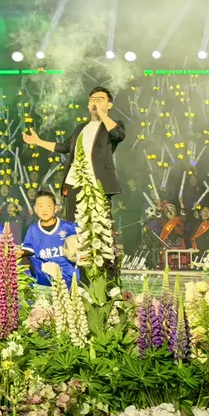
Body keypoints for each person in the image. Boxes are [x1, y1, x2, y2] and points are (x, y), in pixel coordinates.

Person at [23, 86, 126, 220]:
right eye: (92, 99)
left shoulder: (113, 125)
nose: (95, 102)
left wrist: (102, 114)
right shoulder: (81, 128)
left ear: (109, 105)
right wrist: (38, 142)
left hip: (97, 184)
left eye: (100, 99)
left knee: (100, 224)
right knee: (74, 223)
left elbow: (118, 135)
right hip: (74, 183)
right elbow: (64, 147)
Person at [22, 190, 79, 287]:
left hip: (67, 274)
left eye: (48, 206)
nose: (44, 210)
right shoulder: (33, 229)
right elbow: (28, 251)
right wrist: (20, 253)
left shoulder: (69, 227)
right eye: (40, 206)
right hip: (44, 273)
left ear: (56, 208)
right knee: (23, 262)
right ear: (35, 209)